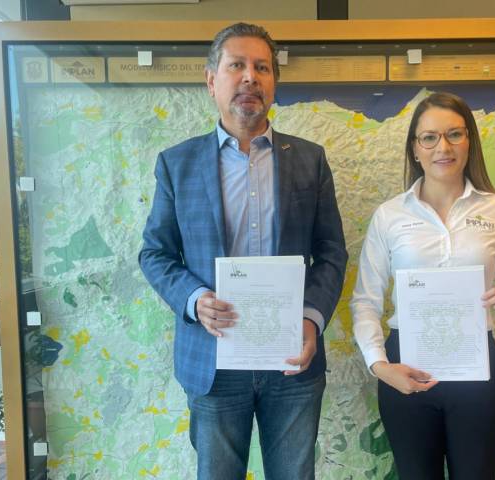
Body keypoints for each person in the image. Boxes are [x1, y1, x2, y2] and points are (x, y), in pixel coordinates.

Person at [139, 22, 347, 480]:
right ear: (211, 80)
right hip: (213, 360)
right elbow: (155, 253)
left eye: (262, 68)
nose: (250, 77)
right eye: (236, 65)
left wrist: (311, 318)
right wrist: (195, 300)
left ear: (274, 82)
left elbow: (332, 252)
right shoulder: (176, 164)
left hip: (291, 358)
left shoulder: (310, 160)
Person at [350, 92, 495, 479]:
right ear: (415, 148)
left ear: (470, 141)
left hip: (476, 367)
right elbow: (365, 300)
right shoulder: (389, 216)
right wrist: (380, 366)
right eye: (430, 137)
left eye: (455, 134)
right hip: (405, 367)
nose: (443, 147)